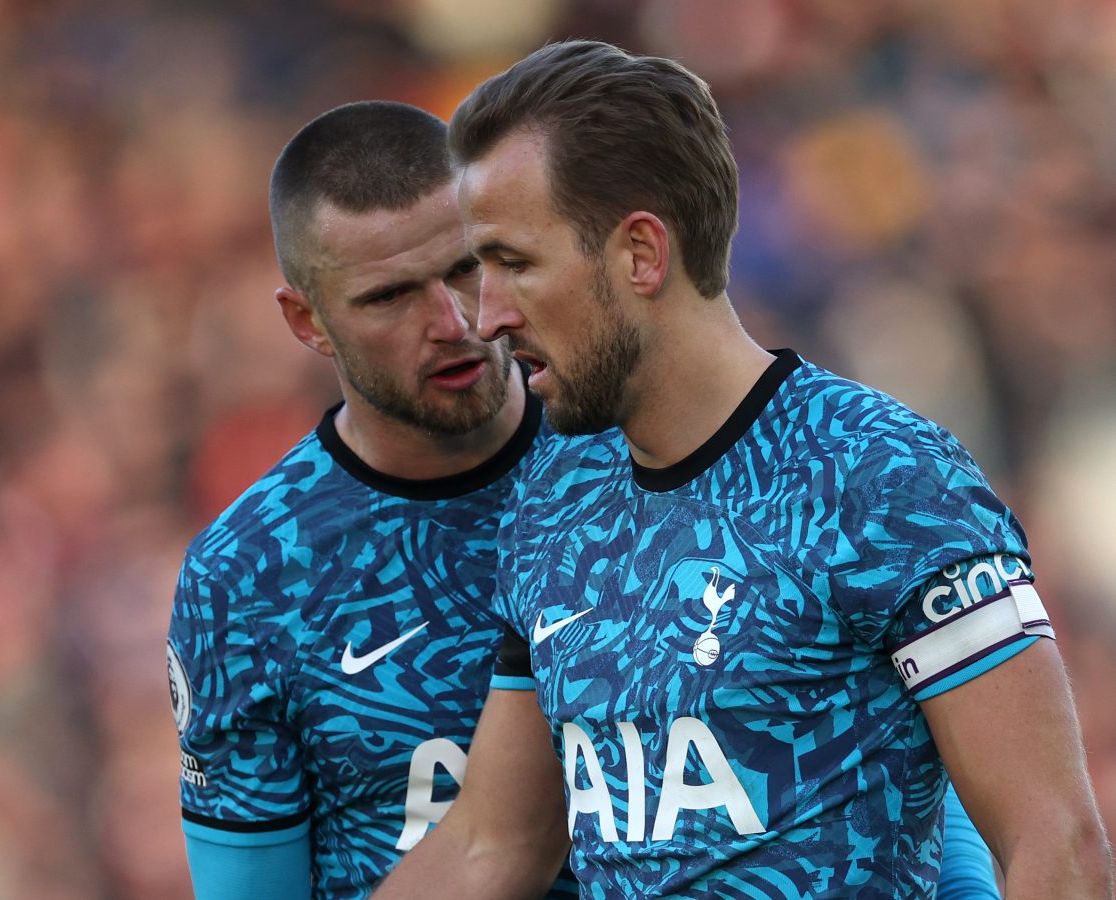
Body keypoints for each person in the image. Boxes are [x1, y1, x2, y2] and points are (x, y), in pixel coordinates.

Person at [376, 40, 1114, 898]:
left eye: (514, 264)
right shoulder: (555, 494)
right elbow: (488, 847)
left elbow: (1056, 845)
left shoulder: (877, 476)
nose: (486, 317)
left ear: (641, 254)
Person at [166, 101, 574, 899]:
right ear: (307, 321)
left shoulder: (626, 455)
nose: (453, 322)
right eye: (390, 297)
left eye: (466, 267)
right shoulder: (247, 576)